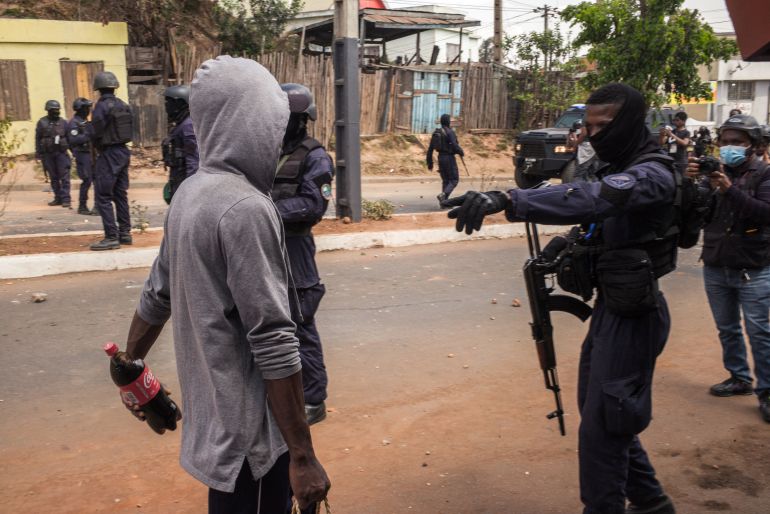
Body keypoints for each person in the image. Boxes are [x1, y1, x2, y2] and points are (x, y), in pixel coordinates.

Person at [446, 83, 679, 514]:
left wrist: (509, 199)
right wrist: (563, 247)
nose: (590, 135)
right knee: (601, 416)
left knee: (604, 427)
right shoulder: (620, 164)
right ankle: (652, 504)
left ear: (627, 123)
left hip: (635, 314)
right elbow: (601, 222)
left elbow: (597, 200)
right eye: (586, 126)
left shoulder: (653, 172)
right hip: (613, 308)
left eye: (601, 126)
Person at [120, 56, 330, 513]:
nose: (275, 136)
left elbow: (158, 294)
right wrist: (302, 455)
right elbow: (273, 338)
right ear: (249, 123)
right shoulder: (246, 208)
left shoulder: (190, 194)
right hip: (253, 446)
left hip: (217, 428)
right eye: (270, 122)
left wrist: (129, 364)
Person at [686, 114, 770, 424]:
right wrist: (690, 181)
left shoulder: (764, 175)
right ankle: (739, 378)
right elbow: (695, 212)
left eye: (737, 143)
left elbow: (765, 214)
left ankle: (767, 391)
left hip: (754, 268)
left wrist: (729, 189)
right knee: (727, 328)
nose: (729, 147)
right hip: (716, 264)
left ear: (753, 146)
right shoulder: (712, 173)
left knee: (760, 333)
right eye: (725, 142)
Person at [274, 83, 334, 425]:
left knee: (300, 325)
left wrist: (267, 210)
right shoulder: (267, 150)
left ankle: (314, 399)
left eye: (288, 117)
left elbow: (313, 205)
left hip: (295, 250)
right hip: (264, 247)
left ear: (302, 120)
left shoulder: (315, 156)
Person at [89, 71, 133, 251]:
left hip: (109, 154)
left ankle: (111, 237)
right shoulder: (123, 105)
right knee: (120, 194)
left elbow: (96, 131)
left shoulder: (101, 106)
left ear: (98, 88)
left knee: (103, 196)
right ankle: (125, 233)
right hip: (123, 151)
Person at [161, 85, 199, 203]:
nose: (166, 106)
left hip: (184, 180)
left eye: (169, 102)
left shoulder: (188, 126)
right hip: (177, 178)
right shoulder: (180, 124)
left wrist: (189, 189)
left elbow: (193, 160)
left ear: (180, 103)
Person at [35, 100, 72, 208]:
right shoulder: (42, 122)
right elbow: (38, 139)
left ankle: (66, 199)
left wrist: (73, 151)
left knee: (64, 177)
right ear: (48, 111)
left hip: (61, 153)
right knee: (53, 177)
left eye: (57, 110)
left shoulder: (63, 122)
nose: (56, 112)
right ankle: (58, 198)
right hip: (48, 154)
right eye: (53, 110)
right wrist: (38, 154)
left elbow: (69, 138)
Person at [67, 97, 98, 215]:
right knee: (87, 180)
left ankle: (97, 205)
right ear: (80, 109)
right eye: (86, 108)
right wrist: (87, 135)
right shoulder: (74, 123)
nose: (88, 110)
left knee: (96, 179)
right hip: (82, 154)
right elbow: (73, 140)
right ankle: (82, 205)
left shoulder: (86, 122)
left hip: (91, 154)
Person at [427, 114, 464, 206]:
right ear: (448, 122)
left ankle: (444, 203)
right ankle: (444, 195)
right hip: (449, 158)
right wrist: (461, 152)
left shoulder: (436, 133)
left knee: (446, 180)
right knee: (454, 180)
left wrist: (430, 163)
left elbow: (430, 149)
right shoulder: (450, 132)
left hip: (440, 158)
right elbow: (455, 146)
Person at [658, 111, 690, 175]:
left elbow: (685, 143)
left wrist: (672, 135)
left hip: (681, 162)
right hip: (670, 160)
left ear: (683, 121)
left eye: (677, 120)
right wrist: (661, 135)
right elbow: (661, 143)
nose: (675, 122)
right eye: (674, 120)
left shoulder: (686, 132)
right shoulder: (672, 131)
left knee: (680, 181)